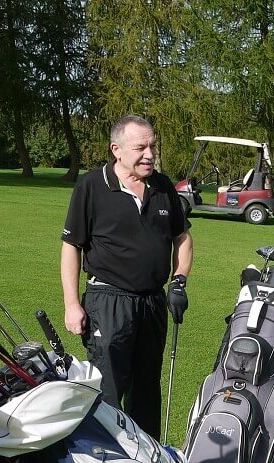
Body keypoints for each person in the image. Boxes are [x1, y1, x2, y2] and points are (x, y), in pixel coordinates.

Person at [60, 114, 192, 441]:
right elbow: (71, 246)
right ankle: (105, 458)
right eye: (141, 148)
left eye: (152, 146)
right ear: (116, 150)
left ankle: (148, 460)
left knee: (147, 388)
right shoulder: (92, 185)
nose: (150, 155)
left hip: (152, 303)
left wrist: (178, 281)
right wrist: (72, 304)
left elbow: (182, 237)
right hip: (108, 301)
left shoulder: (163, 186)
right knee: (107, 390)